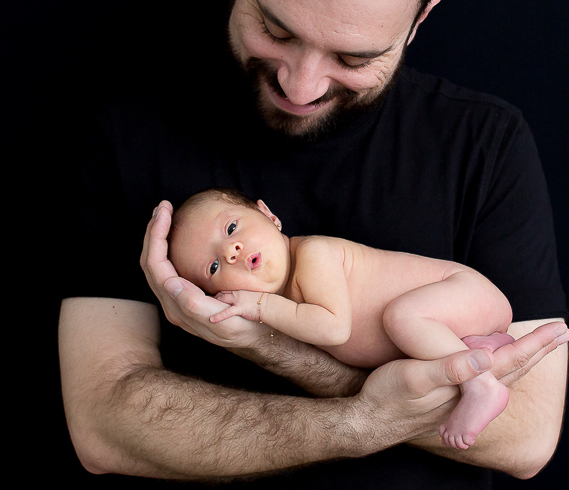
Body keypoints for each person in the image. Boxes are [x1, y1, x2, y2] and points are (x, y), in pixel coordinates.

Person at [59, 0, 569, 490]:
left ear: (420, 19)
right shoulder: (131, 139)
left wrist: (280, 351)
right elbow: (104, 427)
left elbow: (528, 435)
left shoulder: (483, 142)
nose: (302, 85)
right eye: (275, 29)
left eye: (354, 57)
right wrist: (359, 421)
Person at [167, 187, 530, 450]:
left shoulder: (313, 253)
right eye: (213, 267)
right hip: (459, 320)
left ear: (269, 216)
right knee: (407, 327)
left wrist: (261, 308)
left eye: (231, 229)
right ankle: (482, 346)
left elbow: (334, 327)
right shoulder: (289, 302)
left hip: (462, 290)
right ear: (216, 294)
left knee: (403, 316)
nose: (231, 251)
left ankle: (481, 385)